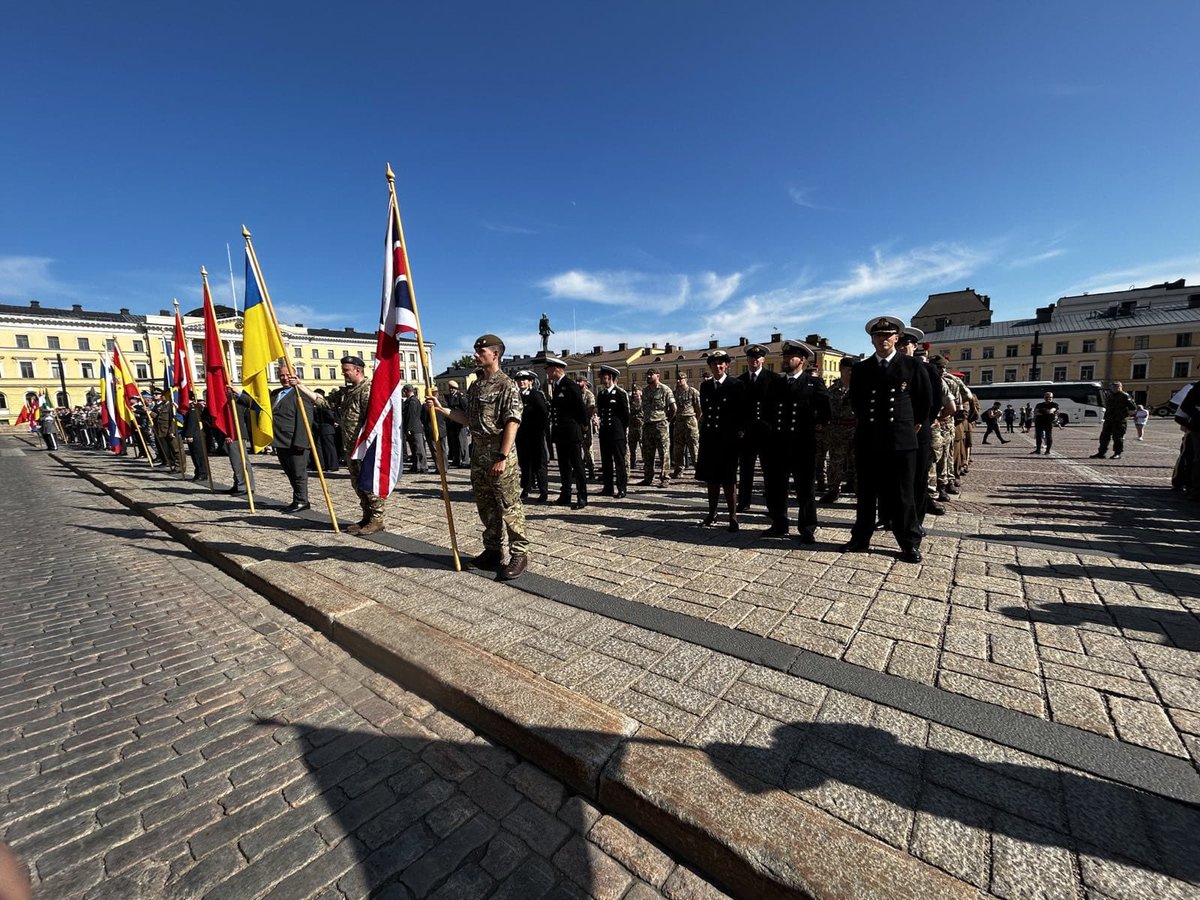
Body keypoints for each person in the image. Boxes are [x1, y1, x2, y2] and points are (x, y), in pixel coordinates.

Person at [427, 333, 529, 579]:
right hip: (479, 454)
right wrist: (442, 409)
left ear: (495, 354)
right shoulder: (476, 386)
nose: (475, 355)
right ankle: (493, 551)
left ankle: (519, 553)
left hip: (499, 454)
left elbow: (512, 423)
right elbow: (468, 420)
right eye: (475, 351)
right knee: (486, 506)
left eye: (480, 351)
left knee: (508, 505)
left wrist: (502, 457)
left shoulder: (507, 384)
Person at [842, 316, 932, 564]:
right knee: (866, 493)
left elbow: (924, 402)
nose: (883, 340)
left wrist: (912, 426)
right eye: (878, 336)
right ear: (872, 340)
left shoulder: (912, 367)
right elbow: (857, 402)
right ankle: (860, 538)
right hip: (869, 438)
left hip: (901, 440)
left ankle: (909, 543)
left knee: (904, 495)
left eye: (888, 335)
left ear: (896, 338)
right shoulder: (862, 369)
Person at [286, 355, 384, 533]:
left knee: (368, 482)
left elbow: (374, 420)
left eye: (346, 370)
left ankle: (377, 519)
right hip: (350, 445)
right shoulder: (347, 391)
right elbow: (325, 402)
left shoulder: (367, 390)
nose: (343, 373)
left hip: (364, 446)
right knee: (357, 483)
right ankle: (367, 516)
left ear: (358, 370)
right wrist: (300, 386)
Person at [763, 341, 830, 542]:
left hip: (803, 444)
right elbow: (766, 411)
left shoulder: (813, 383)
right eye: (784, 357)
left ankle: (807, 527)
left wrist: (818, 424)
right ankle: (779, 523)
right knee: (777, 488)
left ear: (801, 360)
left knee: (805, 489)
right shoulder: (777, 383)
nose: (785, 360)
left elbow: (825, 411)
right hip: (779, 444)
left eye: (790, 357)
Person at [694, 350, 747, 531]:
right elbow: (706, 412)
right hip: (710, 438)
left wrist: (739, 435)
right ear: (710, 366)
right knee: (711, 479)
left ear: (727, 366)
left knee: (729, 480)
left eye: (721, 363)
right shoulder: (706, 387)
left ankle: (732, 516)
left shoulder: (736, 385)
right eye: (714, 364)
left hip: (728, 439)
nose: (718, 366)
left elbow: (741, 412)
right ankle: (712, 513)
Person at [737, 344, 779, 511]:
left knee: (769, 470)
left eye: (757, 358)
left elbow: (777, 407)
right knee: (746, 469)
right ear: (747, 359)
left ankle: (771, 504)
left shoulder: (773, 379)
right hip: (747, 433)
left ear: (763, 359)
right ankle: (744, 502)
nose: (754, 360)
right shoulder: (740, 381)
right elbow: (737, 408)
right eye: (751, 358)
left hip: (766, 432)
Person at [545, 357, 588, 509]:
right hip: (560, 433)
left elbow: (581, 408)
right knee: (564, 466)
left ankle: (582, 496)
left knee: (577, 466)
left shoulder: (570, 385)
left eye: (548, 369)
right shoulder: (557, 386)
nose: (547, 373)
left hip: (571, 432)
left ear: (556, 369)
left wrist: (584, 425)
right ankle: (565, 495)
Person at [271, 383, 316, 512]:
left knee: (298, 473)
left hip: (295, 441)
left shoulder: (301, 393)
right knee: (289, 471)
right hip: (280, 440)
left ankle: (302, 501)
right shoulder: (275, 393)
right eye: (281, 375)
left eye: (287, 375)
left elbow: (305, 418)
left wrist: (301, 442)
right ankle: (297, 499)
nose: (285, 378)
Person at [820, 357, 856, 503]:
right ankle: (833, 490)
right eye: (848, 370)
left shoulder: (861, 389)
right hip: (837, 430)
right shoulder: (832, 389)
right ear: (841, 369)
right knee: (835, 461)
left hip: (856, 429)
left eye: (853, 371)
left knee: (857, 462)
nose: (851, 373)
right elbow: (825, 410)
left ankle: (859, 490)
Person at [515, 370, 550, 503]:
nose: (521, 382)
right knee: (524, 463)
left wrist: (540, 432)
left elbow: (544, 413)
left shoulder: (535, 395)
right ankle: (526, 488)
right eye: (519, 380)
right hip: (521, 435)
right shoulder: (517, 396)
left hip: (535, 435)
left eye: (525, 379)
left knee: (539, 463)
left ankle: (543, 490)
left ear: (530, 381)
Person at [595, 365, 630, 498]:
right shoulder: (602, 394)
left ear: (610, 377)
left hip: (617, 433)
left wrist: (622, 430)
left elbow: (626, 416)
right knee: (606, 462)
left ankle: (621, 488)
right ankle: (608, 487)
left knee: (619, 462)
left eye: (603, 376)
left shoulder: (620, 393)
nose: (601, 379)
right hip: (605, 433)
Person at [640, 368, 676, 486]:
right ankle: (648, 477)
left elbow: (673, 408)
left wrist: (667, 421)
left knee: (664, 452)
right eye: (648, 374)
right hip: (647, 425)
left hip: (660, 424)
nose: (649, 376)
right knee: (647, 453)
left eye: (651, 374)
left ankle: (665, 478)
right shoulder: (645, 391)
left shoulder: (665, 390)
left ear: (658, 376)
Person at [1093, 381, 1136, 459]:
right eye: (1113, 387)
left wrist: (1124, 415)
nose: (1115, 389)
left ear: (1120, 387)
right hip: (1109, 419)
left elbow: (1133, 407)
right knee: (1104, 437)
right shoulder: (1110, 395)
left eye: (1117, 387)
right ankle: (1101, 453)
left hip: (1119, 420)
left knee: (1117, 437)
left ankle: (1117, 453)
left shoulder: (1125, 396)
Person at [671, 373, 701, 479]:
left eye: (681, 379)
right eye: (677, 379)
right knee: (678, 448)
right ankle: (678, 470)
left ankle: (699, 470)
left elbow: (699, 409)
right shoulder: (674, 393)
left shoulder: (693, 392)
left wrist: (694, 421)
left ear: (686, 380)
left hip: (690, 421)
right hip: (679, 422)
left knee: (694, 447)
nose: (679, 381)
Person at [181, 394, 208, 481]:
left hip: (196, 436)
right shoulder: (194, 408)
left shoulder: (193, 409)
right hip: (197, 435)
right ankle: (199, 472)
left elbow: (192, 423)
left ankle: (202, 473)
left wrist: (189, 435)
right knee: (195, 455)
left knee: (198, 455)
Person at [444, 381, 469, 466]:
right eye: (450, 388)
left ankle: (465, 460)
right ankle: (456, 459)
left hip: (460, 422)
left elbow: (466, 409)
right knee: (454, 442)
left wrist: (466, 421)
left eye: (452, 388)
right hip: (452, 422)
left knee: (462, 442)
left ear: (456, 389)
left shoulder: (461, 397)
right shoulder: (449, 397)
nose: (451, 390)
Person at [577, 377, 598, 480]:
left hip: (586, 424)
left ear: (585, 383)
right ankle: (577, 468)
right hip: (577, 424)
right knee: (577, 448)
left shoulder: (589, 395)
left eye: (580, 381)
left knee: (587, 448)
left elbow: (590, 410)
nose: (578, 383)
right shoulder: (576, 394)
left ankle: (591, 469)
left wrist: (584, 423)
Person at [627, 385, 643, 470]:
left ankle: (646, 463)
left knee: (643, 446)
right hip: (632, 427)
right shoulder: (630, 402)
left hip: (641, 427)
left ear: (640, 392)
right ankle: (632, 463)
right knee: (631, 447)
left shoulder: (644, 402)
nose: (634, 393)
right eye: (633, 391)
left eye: (636, 391)